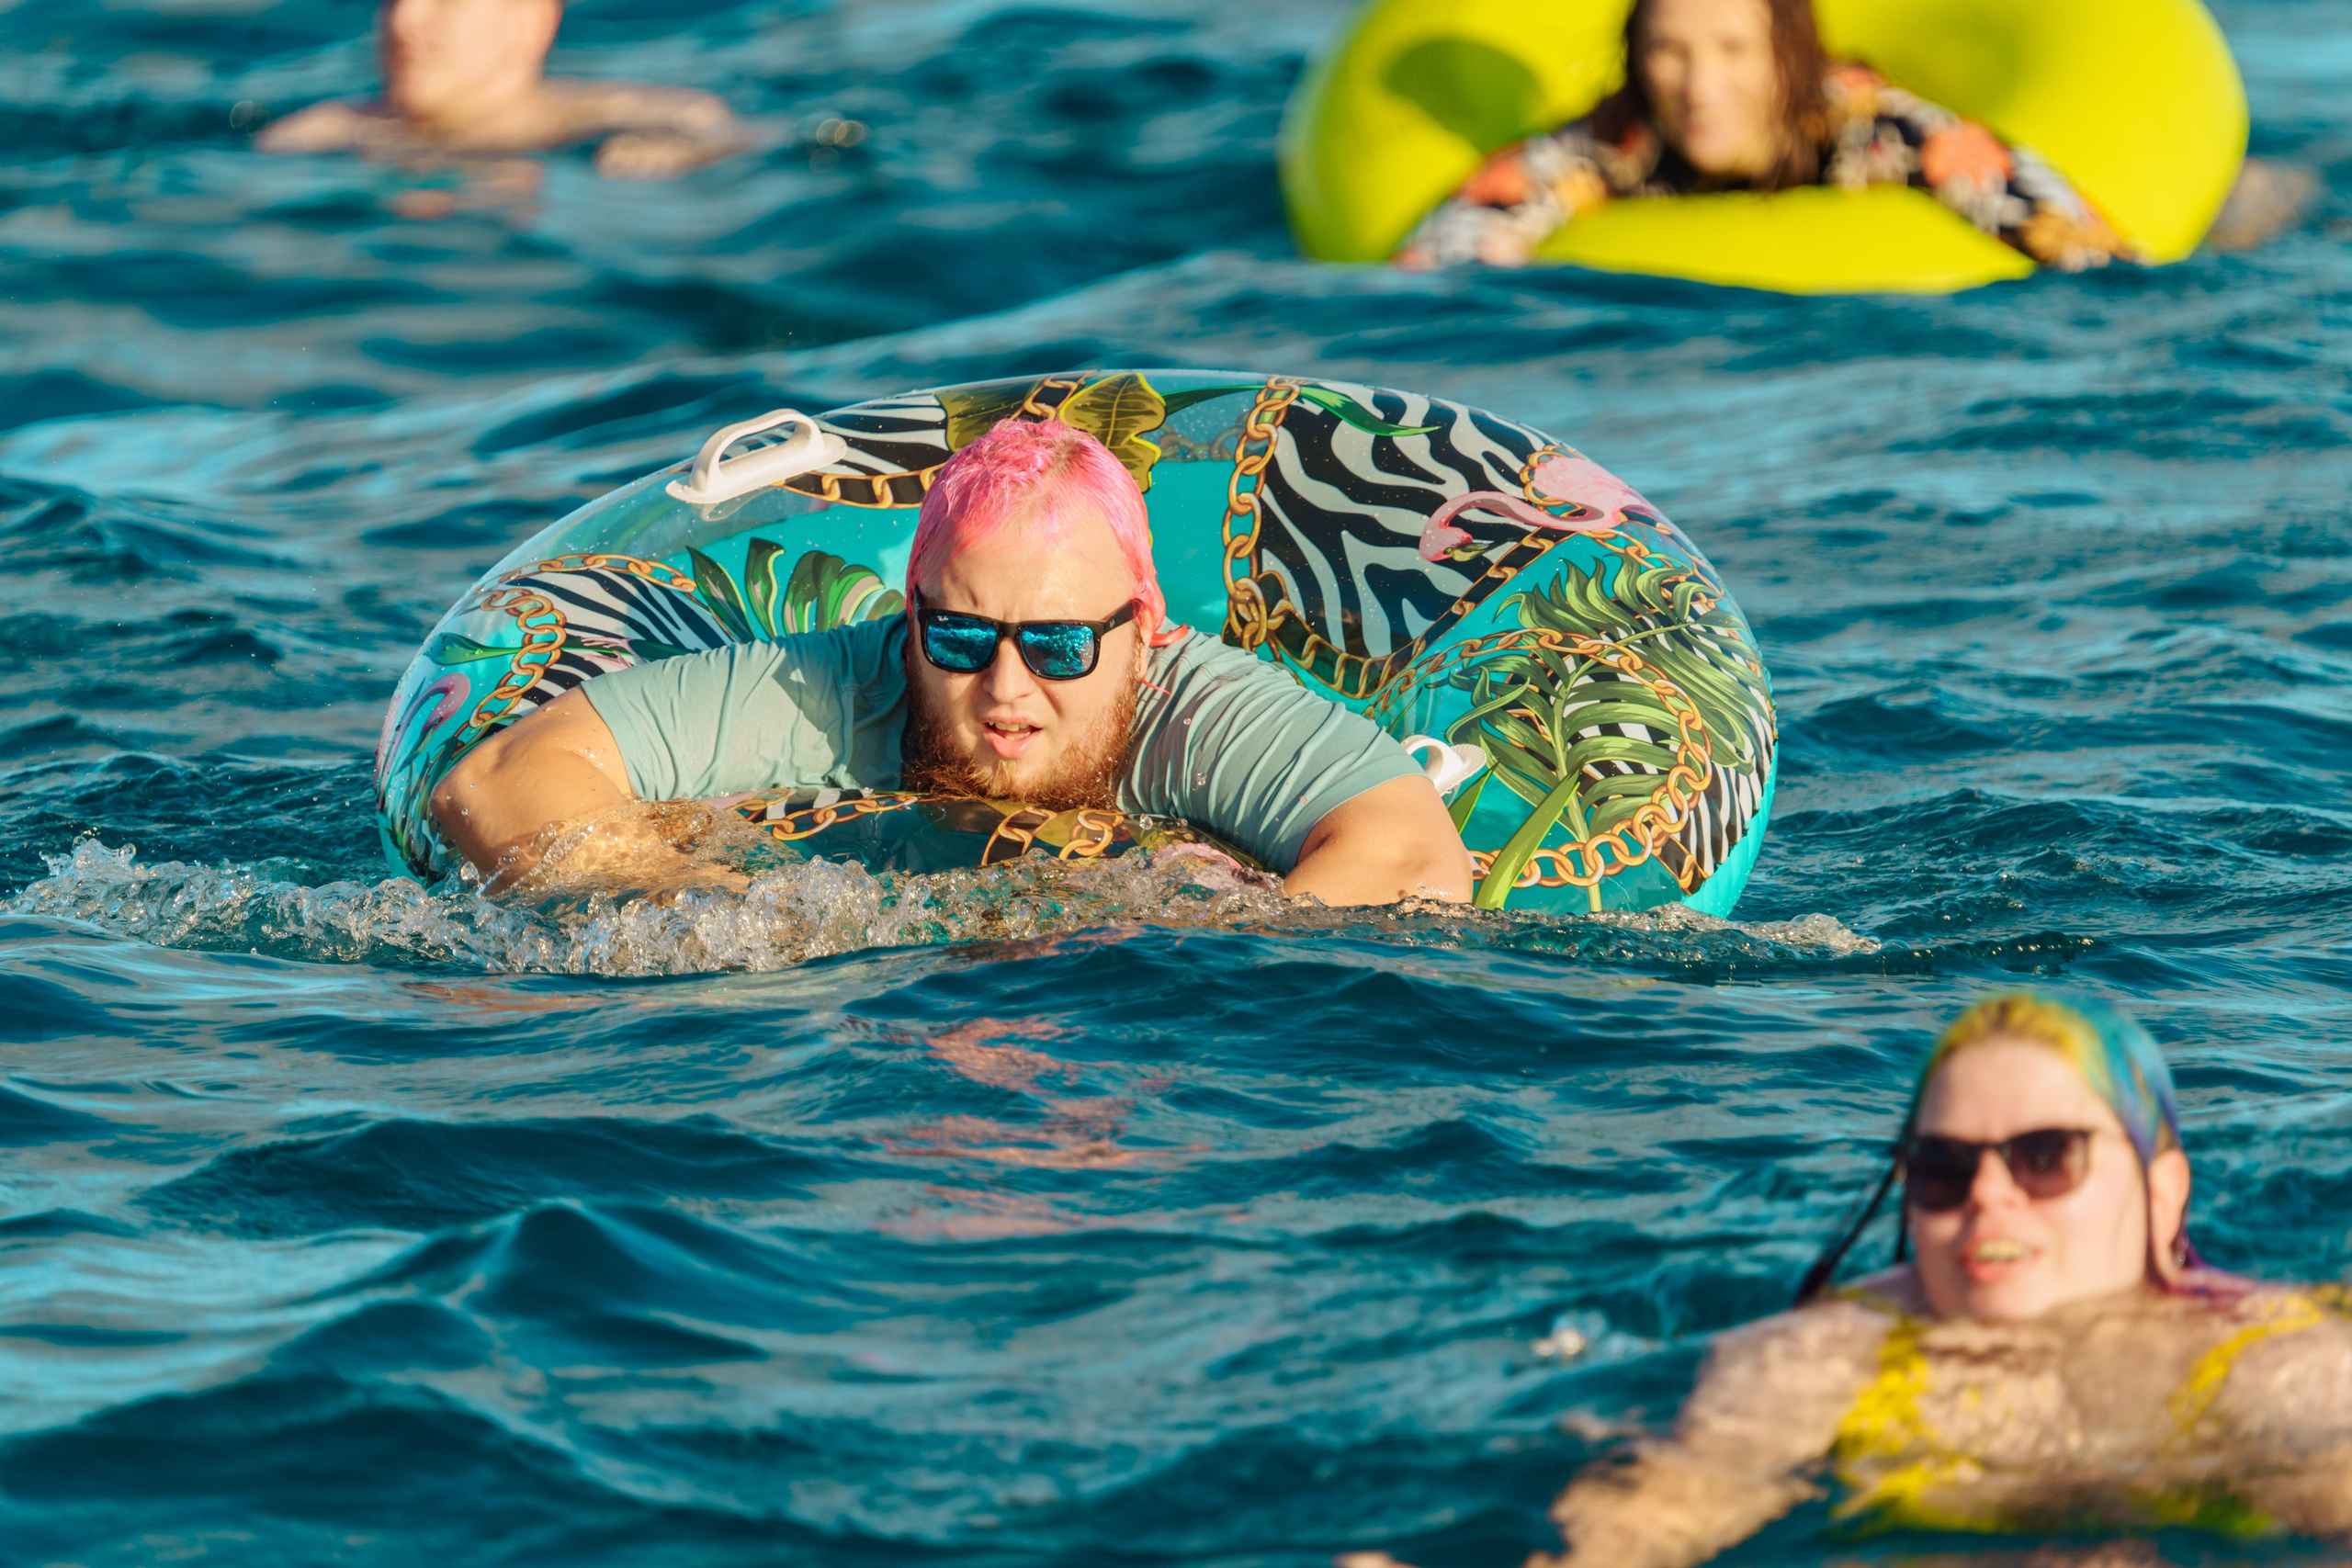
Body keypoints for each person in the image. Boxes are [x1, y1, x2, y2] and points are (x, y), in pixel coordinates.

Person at [1463, 993, 2352, 1568]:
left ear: (2163, 1197)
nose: (1988, 1196)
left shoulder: (2275, 1365)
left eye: (2045, 1157)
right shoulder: (1823, 1358)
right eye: (1942, 1168)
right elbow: (1652, 1522)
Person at [430, 419, 1476, 908]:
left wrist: (1196, 950)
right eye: (964, 638)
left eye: (1062, 645)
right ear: (910, 616)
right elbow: (496, 777)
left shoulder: (1193, 705)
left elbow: (1412, 853)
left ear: (1143, 626)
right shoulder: (843, 681)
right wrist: (705, 911)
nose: (1008, 691)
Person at [1396, 0, 2135, 272]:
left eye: (1733, 49)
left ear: (1786, 53)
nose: (1700, 86)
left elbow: (2076, 239)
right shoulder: (1621, 141)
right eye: (1669, 51)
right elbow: (1447, 248)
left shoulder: (1875, 130)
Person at [256, 0, 747, 184]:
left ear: (530, 21)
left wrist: (684, 154)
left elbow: (727, 131)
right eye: (393, 1)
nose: (406, 21)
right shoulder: (322, 131)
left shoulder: (596, 115)